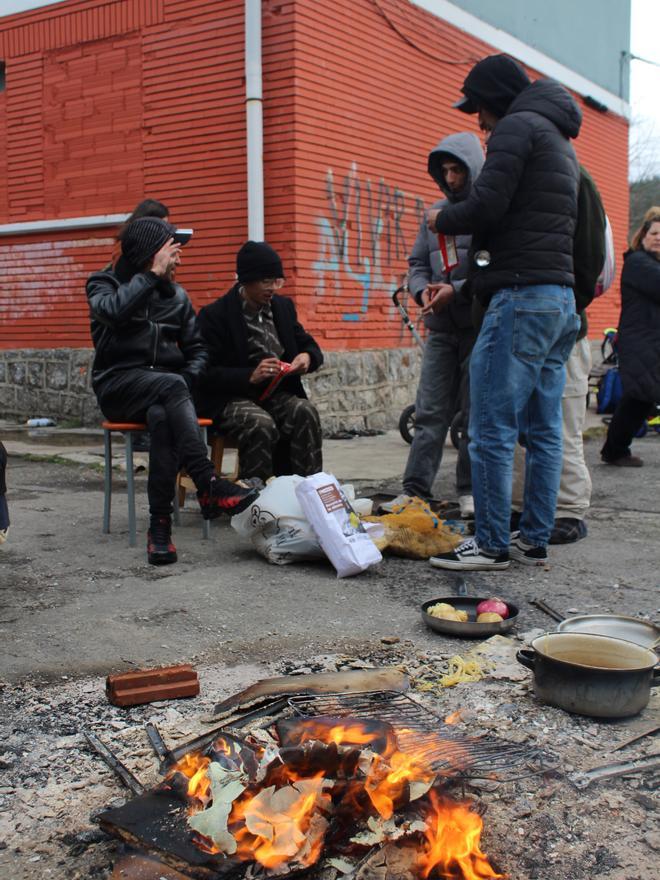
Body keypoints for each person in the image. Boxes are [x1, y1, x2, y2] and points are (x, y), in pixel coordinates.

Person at [426, 54, 581, 571]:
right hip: (559, 300)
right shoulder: (559, 138)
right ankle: (533, 536)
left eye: (479, 109)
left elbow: (487, 205)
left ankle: (491, 543)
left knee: (489, 425)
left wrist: (440, 218)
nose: (479, 122)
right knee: (543, 430)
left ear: (495, 99)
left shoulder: (517, 126)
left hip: (519, 297)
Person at [87, 217, 257, 566]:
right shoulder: (102, 285)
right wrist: (150, 276)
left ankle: (160, 530)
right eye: (171, 253)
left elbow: (197, 351)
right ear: (151, 255)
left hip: (166, 393)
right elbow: (114, 313)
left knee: (164, 414)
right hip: (118, 387)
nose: (178, 261)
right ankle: (208, 483)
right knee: (170, 387)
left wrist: (185, 380)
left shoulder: (178, 297)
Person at [382, 133, 484, 518]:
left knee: (474, 414)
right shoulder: (433, 215)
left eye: (458, 170)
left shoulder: (487, 212)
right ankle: (414, 491)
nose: (452, 178)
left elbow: (491, 267)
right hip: (440, 329)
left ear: (473, 169)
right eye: (446, 171)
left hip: (477, 325)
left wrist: (455, 290)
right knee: (429, 413)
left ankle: (470, 492)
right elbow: (417, 264)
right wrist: (422, 291)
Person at [512, 166, 608, 544]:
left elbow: (591, 258)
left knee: (562, 421)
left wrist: (569, 307)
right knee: (518, 425)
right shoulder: (512, 175)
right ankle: (520, 504)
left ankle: (568, 509)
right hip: (520, 325)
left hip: (563, 325)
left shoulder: (576, 178)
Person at [195, 241, 323, 483]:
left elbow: (308, 345)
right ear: (246, 280)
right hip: (229, 398)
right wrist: (248, 376)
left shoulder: (282, 308)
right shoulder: (215, 316)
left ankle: (309, 489)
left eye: (277, 281)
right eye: (266, 281)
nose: (272, 288)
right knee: (260, 423)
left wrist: (306, 358)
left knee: (305, 411)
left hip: (274, 394)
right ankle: (255, 499)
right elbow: (203, 372)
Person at [601, 207, 660, 467]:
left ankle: (615, 449)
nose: (658, 237)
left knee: (640, 396)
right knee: (638, 395)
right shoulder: (638, 262)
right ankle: (614, 450)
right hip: (641, 340)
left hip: (650, 339)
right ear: (643, 235)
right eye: (654, 232)